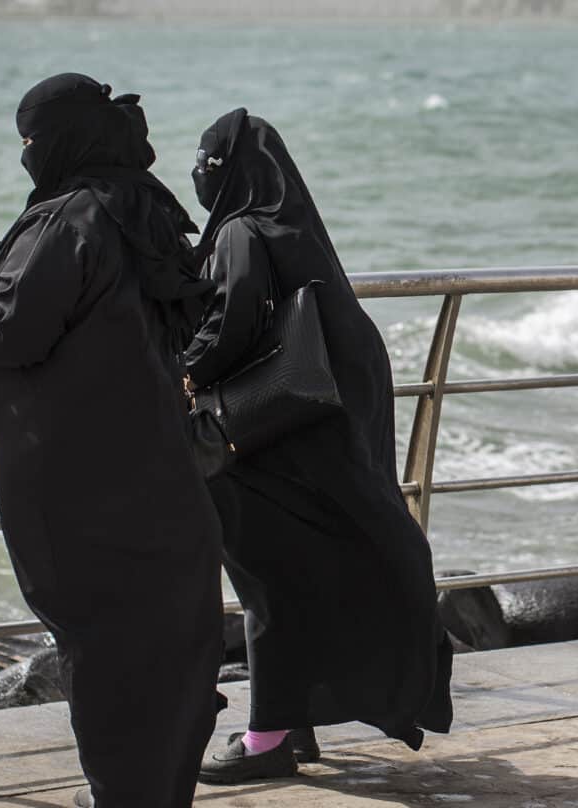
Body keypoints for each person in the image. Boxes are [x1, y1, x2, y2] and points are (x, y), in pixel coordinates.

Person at [0, 74, 223, 808]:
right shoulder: (141, 206)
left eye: (30, 142)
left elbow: (7, 332)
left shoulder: (63, 218)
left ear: (57, 141)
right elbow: (91, 292)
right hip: (158, 467)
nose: (27, 155)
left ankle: (123, 794)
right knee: (166, 638)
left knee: (103, 642)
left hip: (81, 484)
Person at [183, 108, 454, 784]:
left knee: (270, 585)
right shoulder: (298, 236)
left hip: (261, 450)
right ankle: (291, 723)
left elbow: (231, 324)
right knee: (302, 576)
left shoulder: (241, 232)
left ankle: (269, 740)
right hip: (315, 453)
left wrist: (183, 368)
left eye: (203, 163)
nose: (196, 175)